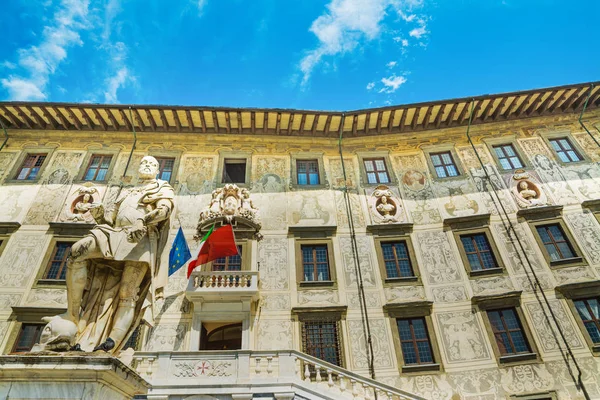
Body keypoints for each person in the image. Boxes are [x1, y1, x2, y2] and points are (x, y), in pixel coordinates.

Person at [60, 156, 174, 353]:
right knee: (76, 252)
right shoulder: (128, 191)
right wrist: (98, 214)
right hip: (114, 234)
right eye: (143, 163)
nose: (146, 165)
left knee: (127, 293)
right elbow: (110, 219)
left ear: (158, 171)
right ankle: (72, 315)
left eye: (152, 164)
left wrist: (143, 221)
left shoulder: (162, 187)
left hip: (140, 238)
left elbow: (164, 211)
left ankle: (112, 340)